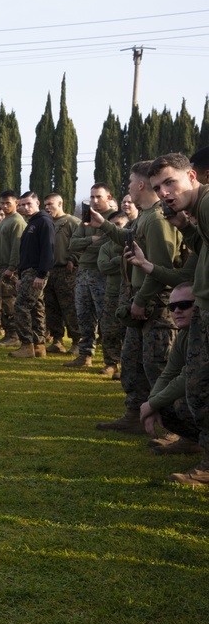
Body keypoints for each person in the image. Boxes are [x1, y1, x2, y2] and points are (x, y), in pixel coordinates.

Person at [93, 162, 183, 433]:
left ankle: (175, 429)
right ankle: (135, 414)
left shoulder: (156, 219)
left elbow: (159, 267)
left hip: (156, 306)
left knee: (159, 367)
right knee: (133, 365)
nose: (129, 186)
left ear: (141, 185)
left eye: (131, 181)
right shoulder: (144, 216)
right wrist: (105, 226)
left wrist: (141, 300)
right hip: (141, 303)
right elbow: (130, 239)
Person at [147, 152, 209, 483]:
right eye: (158, 187)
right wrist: (186, 228)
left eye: (171, 182)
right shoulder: (197, 212)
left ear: (192, 177)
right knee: (199, 389)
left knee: (199, 390)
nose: (165, 193)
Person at [139, 285, 205, 476]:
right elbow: (169, 373)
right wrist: (152, 403)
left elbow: (189, 374)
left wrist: (153, 403)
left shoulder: (203, 334)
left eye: (184, 305)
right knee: (167, 405)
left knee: (189, 401)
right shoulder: (184, 334)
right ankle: (193, 441)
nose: (177, 311)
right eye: (172, 306)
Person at [65, 183, 115, 368]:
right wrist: (92, 240)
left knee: (106, 318)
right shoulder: (87, 218)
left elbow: (109, 244)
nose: (94, 200)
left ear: (108, 198)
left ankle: (111, 361)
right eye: (92, 197)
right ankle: (85, 355)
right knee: (84, 316)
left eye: (98, 197)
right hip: (83, 271)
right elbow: (73, 244)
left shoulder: (113, 219)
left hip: (103, 273)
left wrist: (90, 244)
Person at [8, 192, 54, 358]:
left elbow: (48, 250)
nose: (26, 208)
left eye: (29, 204)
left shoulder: (43, 221)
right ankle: (39, 346)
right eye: (23, 204)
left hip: (36, 272)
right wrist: (21, 276)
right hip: (28, 272)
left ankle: (27, 345)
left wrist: (41, 275)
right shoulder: (32, 222)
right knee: (36, 308)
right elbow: (26, 253)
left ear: (37, 203)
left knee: (21, 307)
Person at [40, 193, 81, 354]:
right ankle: (57, 340)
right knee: (51, 307)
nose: (48, 208)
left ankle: (77, 341)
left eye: (51, 204)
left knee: (70, 307)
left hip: (67, 271)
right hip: (50, 271)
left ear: (60, 203)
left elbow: (80, 243)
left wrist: (74, 259)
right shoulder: (47, 223)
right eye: (46, 205)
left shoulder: (71, 222)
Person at [0, 191, 26, 347]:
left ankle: (14, 335)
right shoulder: (5, 221)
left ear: (16, 203)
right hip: (0, 267)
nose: (5, 206)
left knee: (10, 302)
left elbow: (17, 248)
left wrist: (12, 268)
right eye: (2, 203)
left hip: (9, 269)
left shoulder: (17, 222)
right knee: (2, 302)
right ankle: (7, 334)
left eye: (8, 203)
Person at [95, 211, 128, 378]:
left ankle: (127, 366)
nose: (115, 228)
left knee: (128, 331)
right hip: (112, 293)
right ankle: (111, 363)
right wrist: (120, 260)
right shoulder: (106, 247)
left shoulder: (130, 245)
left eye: (119, 225)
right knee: (109, 329)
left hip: (129, 293)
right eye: (112, 225)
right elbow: (103, 267)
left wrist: (117, 261)